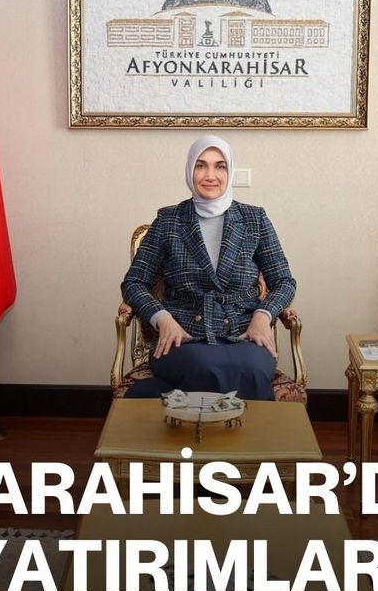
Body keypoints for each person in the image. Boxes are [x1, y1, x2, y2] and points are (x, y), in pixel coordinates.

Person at [120, 135, 296, 401]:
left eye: (220, 166)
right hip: (182, 336)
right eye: (201, 165)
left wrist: (263, 315)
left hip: (244, 333)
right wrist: (162, 319)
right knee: (204, 367)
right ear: (190, 170)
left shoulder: (255, 219)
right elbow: (133, 283)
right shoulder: (168, 220)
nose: (210, 175)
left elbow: (284, 281)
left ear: (230, 171)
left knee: (251, 369)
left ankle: (157, 397)